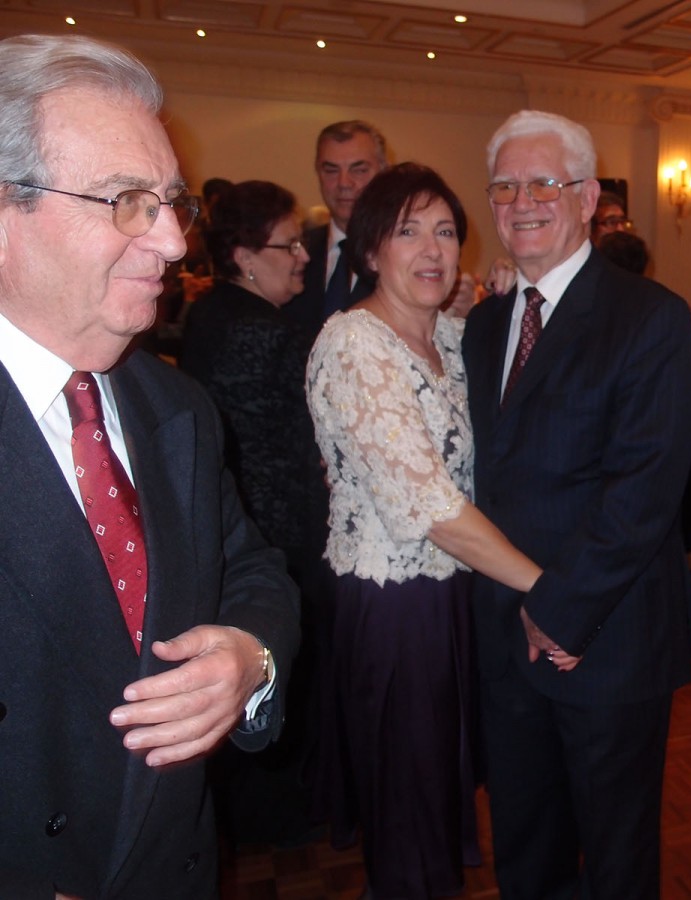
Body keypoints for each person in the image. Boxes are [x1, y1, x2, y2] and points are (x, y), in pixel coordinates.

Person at [0, 33, 299, 899]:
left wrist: (249, 657)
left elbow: (253, 570)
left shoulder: (177, 406)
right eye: (127, 201)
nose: (172, 242)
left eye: (171, 203)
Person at [462, 110, 691, 900]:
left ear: (589, 197)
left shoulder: (650, 316)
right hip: (505, 637)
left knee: (616, 856)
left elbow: (644, 491)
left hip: (604, 637)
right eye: (504, 187)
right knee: (525, 843)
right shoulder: (484, 323)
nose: (521, 202)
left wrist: (557, 610)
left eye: (544, 183)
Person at [306, 162, 556, 899]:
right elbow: (430, 507)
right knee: (407, 796)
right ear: (370, 249)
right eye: (407, 231)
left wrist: (513, 295)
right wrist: (550, 590)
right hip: (393, 606)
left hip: (455, 597)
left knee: (440, 789)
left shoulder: (451, 337)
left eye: (445, 232)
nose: (431, 250)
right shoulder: (354, 343)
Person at [179, 180, 328, 845]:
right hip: (278, 537)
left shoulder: (209, 314)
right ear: (244, 256)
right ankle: (286, 824)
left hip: (229, 530)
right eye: (288, 245)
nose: (303, 256)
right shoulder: (267, 331)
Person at [285, 120, 389, 341]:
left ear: (383, 172)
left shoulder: (408, 256)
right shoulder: (293, 252)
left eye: (359, 170)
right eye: (331, 170)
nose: (344, 183)